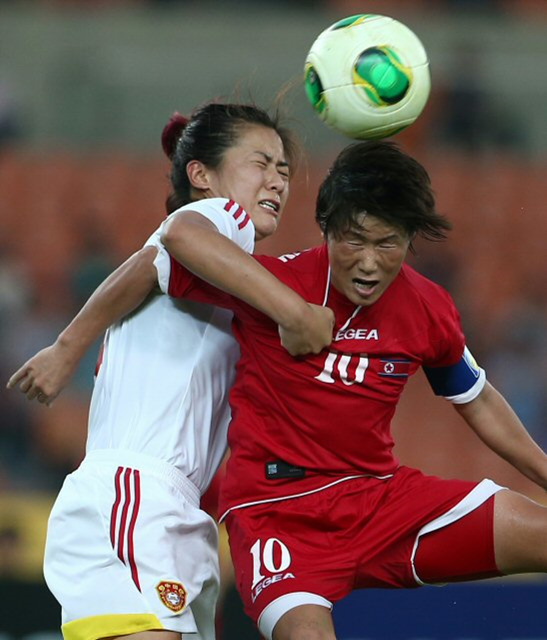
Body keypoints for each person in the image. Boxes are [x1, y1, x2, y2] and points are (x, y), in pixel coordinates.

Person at [157, 140, 547, 640]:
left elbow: (477, 400)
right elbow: (172, 241)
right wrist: (67, 347)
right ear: (326, 229)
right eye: (352, 240)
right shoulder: (271, 284)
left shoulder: (428, 307)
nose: (367, 263)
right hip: (277, 512)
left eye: (386, 244)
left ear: (410, 239)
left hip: (381, 501)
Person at [7, 101, 334, 640]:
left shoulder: (233, 275)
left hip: (174, 508)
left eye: (283, 169)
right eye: (260, 162)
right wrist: (66, 347)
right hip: (137, 493)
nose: (277, 179)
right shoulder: (217, 219)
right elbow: (175, 236)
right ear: (201, 175)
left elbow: (150, 260)